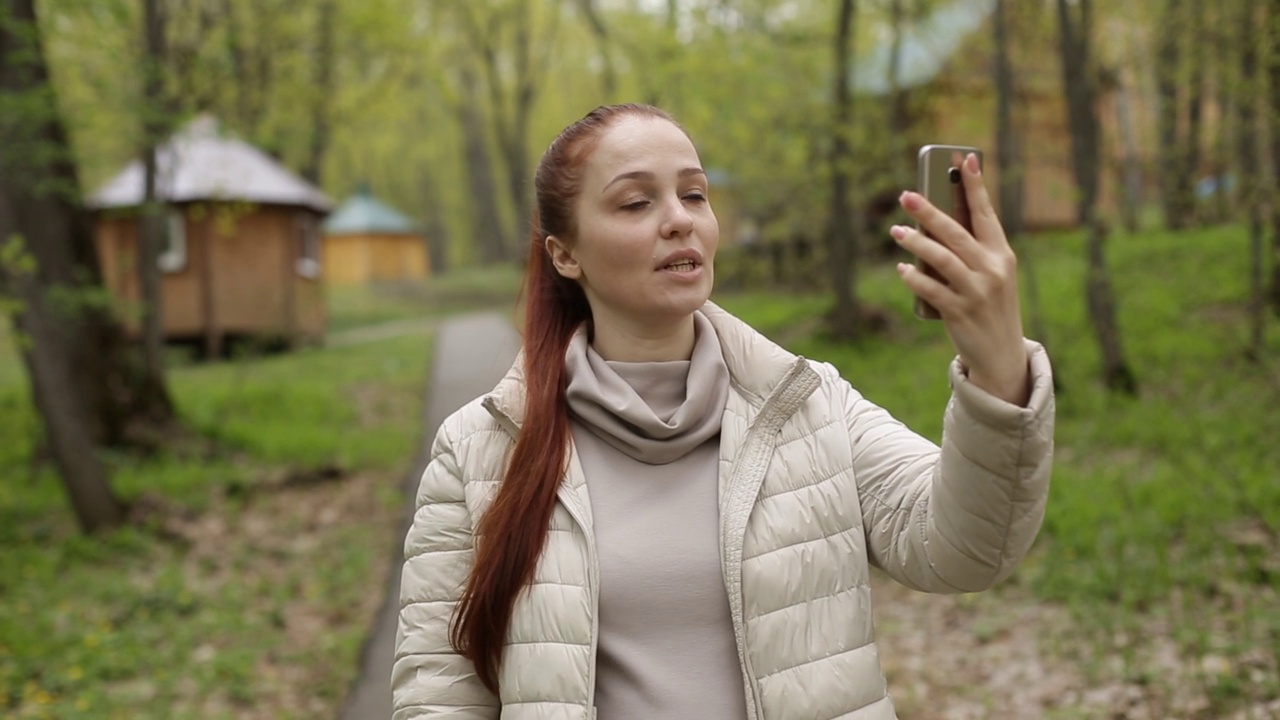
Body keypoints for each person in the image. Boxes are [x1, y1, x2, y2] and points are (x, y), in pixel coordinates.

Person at [392, 103, 1054, 720]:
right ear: (565, 254)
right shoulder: (479, 450)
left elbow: (967, 550)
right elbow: (439, 695)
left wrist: (998, 369)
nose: (679, 218)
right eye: (635, 201)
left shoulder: (808, 404)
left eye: (694, 194)